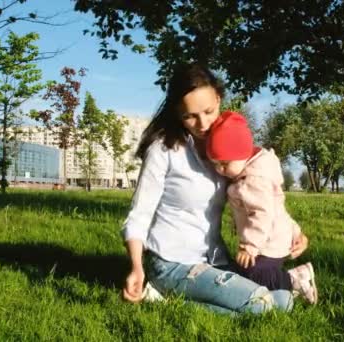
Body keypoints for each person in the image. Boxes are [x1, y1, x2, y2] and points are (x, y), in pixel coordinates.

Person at [121, 63, 309, 314]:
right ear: (177, 113)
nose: (203, 124)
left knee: (283, 301)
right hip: (173, 263)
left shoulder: (227, 147)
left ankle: (169, 300)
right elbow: (139, 214)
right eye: (190, 116)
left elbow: (264, 194)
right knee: (262, 304)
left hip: (214, 260)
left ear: (219, 99)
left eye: (209, 111)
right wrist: (136, 266)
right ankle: (159, 295)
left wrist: (294, 232)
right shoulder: (164, 151)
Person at [206, 111, 318, 304]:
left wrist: (249, 246)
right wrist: (296, 231)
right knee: (245, 270)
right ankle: (284, 284)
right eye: (215, 164)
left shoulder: (253, 180)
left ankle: (293, 279)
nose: (219, 170)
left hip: (268, 242)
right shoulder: (255, 171)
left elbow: (262, 214)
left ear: (242, 154)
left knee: (254, 273)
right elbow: (277, 207)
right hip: (274, 236)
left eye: (224, 164)